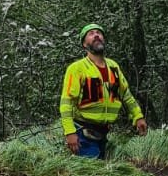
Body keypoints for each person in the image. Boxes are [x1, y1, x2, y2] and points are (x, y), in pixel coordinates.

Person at [60, 25, 147, 158]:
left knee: (102, 173)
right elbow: (67, 102)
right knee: (93, 175)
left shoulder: (113, 67)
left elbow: (126, 96)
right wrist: (69, 132)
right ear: (84, 44)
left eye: (99, 33)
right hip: (83, 133)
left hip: (103, 133)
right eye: (91, 34)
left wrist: (138, 116)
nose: (96, 35)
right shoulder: (77, 69)